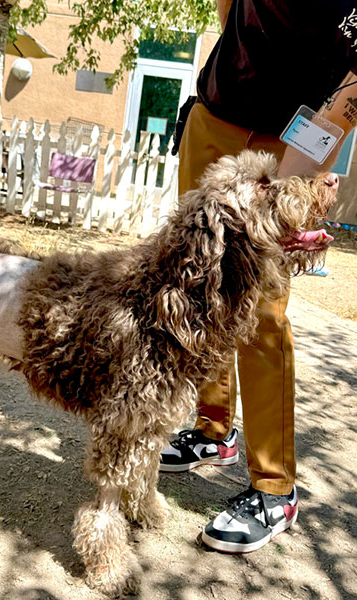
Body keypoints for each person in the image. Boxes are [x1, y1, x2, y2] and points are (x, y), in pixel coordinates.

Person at [160, 0, 357, 554]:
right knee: (199, 282)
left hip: (289, 141)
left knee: (261, 309)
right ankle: (211, 429)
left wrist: (295, 187)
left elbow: (345, 103)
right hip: (211, 121)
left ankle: (274, 487)